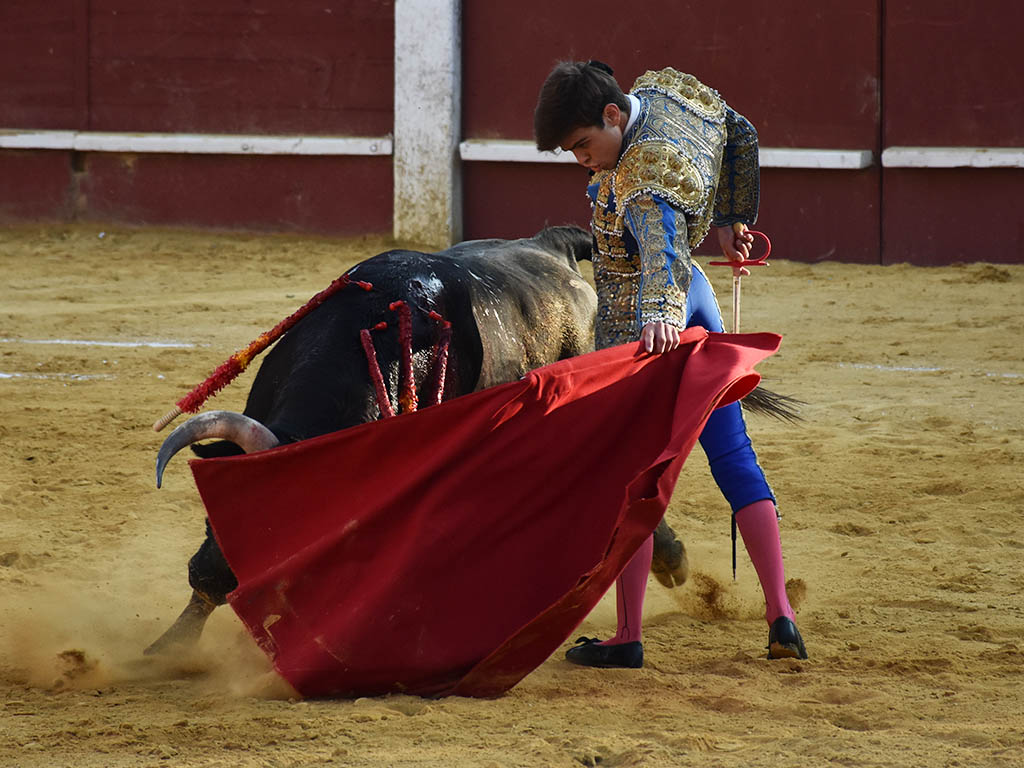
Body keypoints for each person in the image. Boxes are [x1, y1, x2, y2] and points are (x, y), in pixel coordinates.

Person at [533, 59, 807, 666]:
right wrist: (737, 218)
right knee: (734, 459)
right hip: (703, 306)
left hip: (651, 332)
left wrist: (659, 312)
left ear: (611, 116)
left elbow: (661, 245)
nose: (583, 159)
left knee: (632, 481)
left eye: (583, 144)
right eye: (571, 153)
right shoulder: (666, 96)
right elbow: (740, 132)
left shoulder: (642, 175)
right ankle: (781, 618)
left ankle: (627, 635)